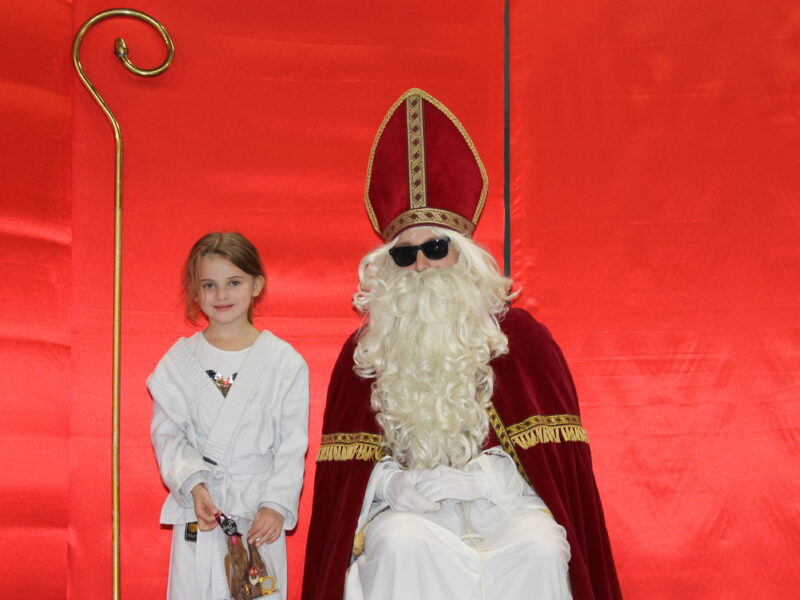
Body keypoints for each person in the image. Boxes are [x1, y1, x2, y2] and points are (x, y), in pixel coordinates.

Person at [302, 89, 622, 600]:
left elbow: (560, 470)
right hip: (412, 511)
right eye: (405, 255)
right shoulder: (368, 350)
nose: (421, 265)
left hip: (504, 505)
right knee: (400, 544)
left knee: (540, 546)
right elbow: (345, 482)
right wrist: (390, 485)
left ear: (463, 254)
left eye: (435, 247)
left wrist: (488, 481)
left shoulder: (519, 338)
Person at [149, 232, 308, 600]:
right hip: (202, 508)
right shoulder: (178, 363)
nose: (221, 295)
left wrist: (275, 504)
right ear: (196, 290)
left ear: (257, 285)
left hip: (257, 513)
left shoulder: (284, 362)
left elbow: (292, 444)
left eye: (234, 282)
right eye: (209, 285)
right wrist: (195, 485)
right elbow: (167, 437)